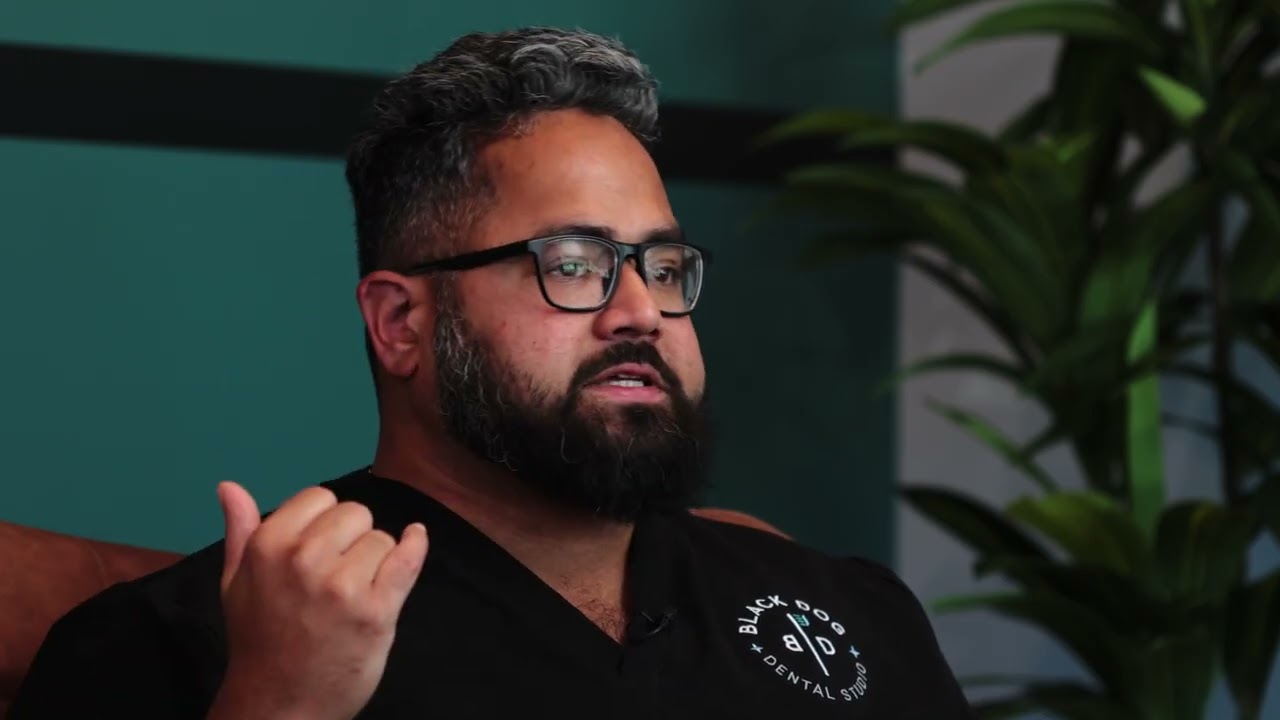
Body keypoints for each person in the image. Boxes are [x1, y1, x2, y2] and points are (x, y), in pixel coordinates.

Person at [9, 27, 973, 720]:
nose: (641, 310)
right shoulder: (184, 646)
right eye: (574, 264)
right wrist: (281, 702)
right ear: (401, 323)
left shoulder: (851, 608)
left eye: (662, 265)